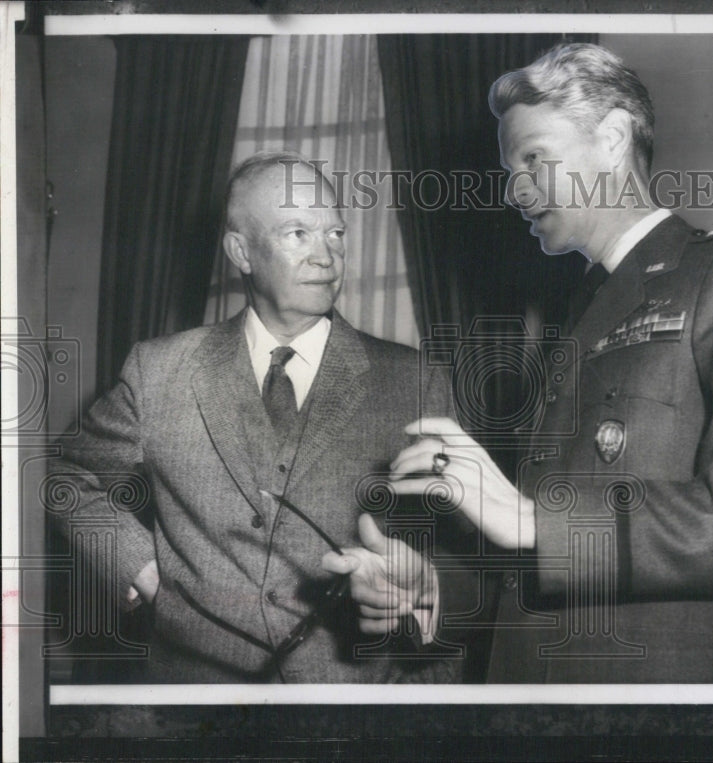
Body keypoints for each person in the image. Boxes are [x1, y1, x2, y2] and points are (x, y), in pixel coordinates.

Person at [387, 43, 713, 683]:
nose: (515, 191)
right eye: (510, 169)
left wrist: (536, 519)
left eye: (534, 159)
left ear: (614, 138)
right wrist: (435, 590)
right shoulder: (578, 313)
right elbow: (545, 564)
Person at [52, 152, 469, 683]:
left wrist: (423, 591)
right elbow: (66, 476)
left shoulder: (415, 381)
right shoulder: (158, 371)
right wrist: (139, 568)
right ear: (240, 251)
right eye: (298, 232)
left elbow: (466, 550)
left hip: (355, 702)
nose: (326, 256)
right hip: (194, 707)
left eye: (336, 233)